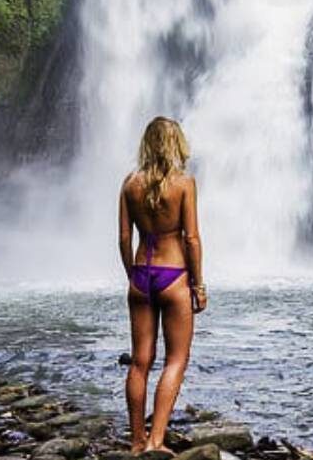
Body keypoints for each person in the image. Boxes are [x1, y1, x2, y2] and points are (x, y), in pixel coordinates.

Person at [119, 116, 208, 454]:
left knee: (140, 361)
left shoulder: (129, 183)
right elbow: (193, 238)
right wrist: (198, 285)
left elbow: (125, 238)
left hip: (142, 273)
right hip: (174, 275)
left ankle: (136, 441)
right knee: (175, 360)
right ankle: (157, 439)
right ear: (176, 144)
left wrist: (132, 274)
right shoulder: (184, 183)